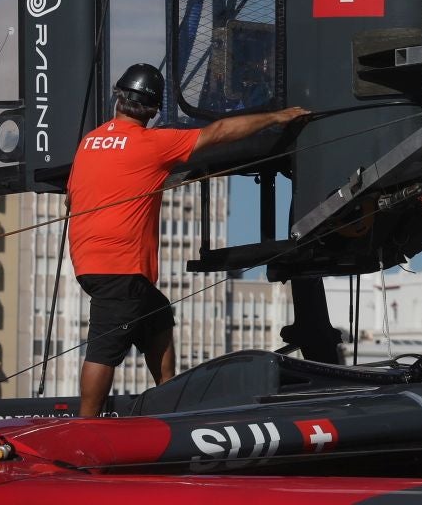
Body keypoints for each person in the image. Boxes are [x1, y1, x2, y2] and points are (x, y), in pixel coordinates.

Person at [68, 62, 309, 415]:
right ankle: (85, 426)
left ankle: (167, 399)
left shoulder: (89, 143)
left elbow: (71, 198)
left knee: (158, 314)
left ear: (118, 99)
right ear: (153, 111)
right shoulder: (152, 143)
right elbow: (219, 131)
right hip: (120, 267)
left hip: (88, 262)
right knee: (104, 347)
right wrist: (276, 117)